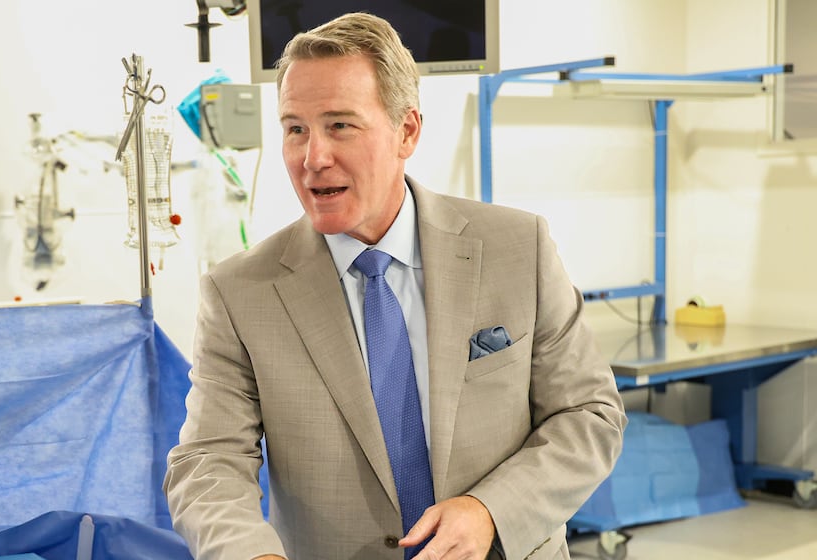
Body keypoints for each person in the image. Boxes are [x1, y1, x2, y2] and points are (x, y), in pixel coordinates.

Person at [164, 12, 626, 560]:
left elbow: (589, 415)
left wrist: (489, 511)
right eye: (295, 129)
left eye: (340, 125)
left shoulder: (516, 248)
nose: (313, 158)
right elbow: (207, 461)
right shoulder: (240, 292)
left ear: (406, 131)